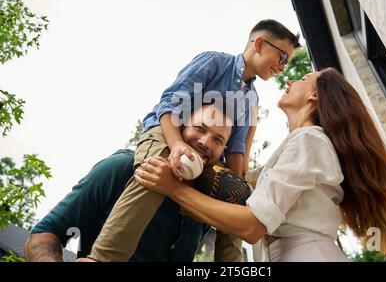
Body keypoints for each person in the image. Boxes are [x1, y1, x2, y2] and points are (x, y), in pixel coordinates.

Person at [135, 68, 386, 261]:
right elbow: (244, 180)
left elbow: (252, 226)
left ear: (314, 96)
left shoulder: (310, 141)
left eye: (303, 78)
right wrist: (245, 132)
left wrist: (174, 188)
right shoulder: (300, 145)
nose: (291, 80)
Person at [87, 19, 300, 261]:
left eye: (288, 62)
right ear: (259, 43)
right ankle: (103, 257)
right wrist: (177, 145)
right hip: (168, 134)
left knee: (239, 202)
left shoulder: (251, 99)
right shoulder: (214, 62)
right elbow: (168, 104)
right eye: (283, 57)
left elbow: (236, 151)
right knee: (161, 168)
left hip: (206, 157)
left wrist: (241, 191)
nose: (283, 67)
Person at [24, 104, 251, 262]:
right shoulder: (121, 168)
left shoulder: (206, 204)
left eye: (218, 140)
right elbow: (45, 234)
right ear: (180, 127)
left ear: (223, 152)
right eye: (199, 128)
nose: (204, 142)